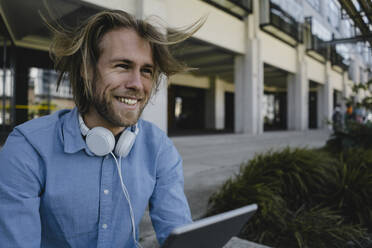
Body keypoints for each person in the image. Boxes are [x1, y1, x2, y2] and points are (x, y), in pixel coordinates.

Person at [0, 10, 203, 248]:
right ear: (86, 69)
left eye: (146, 71)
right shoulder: (28, 148)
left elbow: (180, 232)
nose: (137, 84)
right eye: (122, 66)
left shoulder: (158, 147)